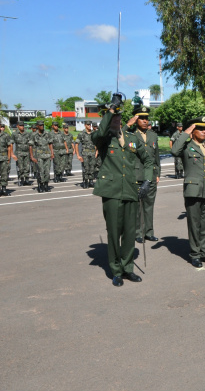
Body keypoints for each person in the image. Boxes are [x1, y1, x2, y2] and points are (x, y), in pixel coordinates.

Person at [92, 94, 153, 286]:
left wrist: (147, 181)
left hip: (130, 190)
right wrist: (111, 110)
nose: (116, 120)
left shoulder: (131, 138)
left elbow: (148, 159)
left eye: (118, 116)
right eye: (113, 117)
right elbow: (100, 132)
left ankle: (128, 269)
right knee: (114, 232)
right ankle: (116, 270)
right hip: (111, 192)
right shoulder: (102, 138)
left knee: (129, 233)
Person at [172, 116, 205, 268]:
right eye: (199, 128)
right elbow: (174, 150)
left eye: (204, 128)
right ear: (193, 131)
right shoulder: (186, 147)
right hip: (193, 191)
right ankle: (195, 254)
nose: (203, 131)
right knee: (194, 224)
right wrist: (187, 131)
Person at [123, 102, 161, 244]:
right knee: (137, 206)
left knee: (149, 205)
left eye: (147, 118)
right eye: (142, 118)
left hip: (150, 175)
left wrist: (157, 173)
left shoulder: (153, 135)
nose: (145, 121)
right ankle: (138, 232)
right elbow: (118, 136)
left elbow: (156, 157)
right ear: (136, 120)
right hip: (136, 176)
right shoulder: (130, 135)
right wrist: (128, 124)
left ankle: (149, 232)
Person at [29, 120, 54, 193]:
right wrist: (32, 156)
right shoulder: (34, 135)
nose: (42, 126)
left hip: (47, 155)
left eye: (42, 125)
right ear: (37, 126)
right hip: (38, 156)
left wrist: (52, 153)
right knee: (40, 171)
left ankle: (46, 185)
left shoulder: (47, 134)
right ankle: (40, 185)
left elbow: (50, 144)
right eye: (40, 125)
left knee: (47, 171)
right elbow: (30, 146)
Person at [76, 121, 97, 188]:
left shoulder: (93, 133)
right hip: (85, 154)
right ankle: (85, 182)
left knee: (92, 167)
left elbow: (97, 143)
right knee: (86, 168)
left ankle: (91, 181)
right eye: (88, 125)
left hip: (93, 152)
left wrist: (97, 151)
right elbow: (76, 144)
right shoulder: (81, 134)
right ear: (85, 125)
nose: (89, 126)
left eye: (90, 125)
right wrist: (78, 155)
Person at [12, 121, 31, 186]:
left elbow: (30, 144)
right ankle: (21, 179)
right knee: (20, 167)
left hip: (26, 152)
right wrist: (12, 154)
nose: (22, 127)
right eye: (20, 125)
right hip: (19, 153)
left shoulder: (27, 133)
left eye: (23, 125)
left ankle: (27, 179)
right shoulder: (14, 134)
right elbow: (11, 144)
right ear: (17, 126)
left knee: (27, 167)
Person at [0, 124, 12, 196]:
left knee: (4, 174)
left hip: (4, 157)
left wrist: (9, 157)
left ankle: (4, 189)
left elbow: (9, 146)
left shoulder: (5, 135)